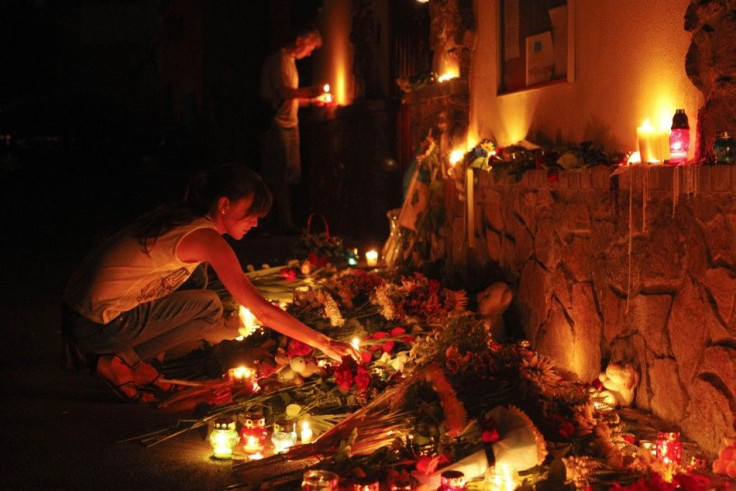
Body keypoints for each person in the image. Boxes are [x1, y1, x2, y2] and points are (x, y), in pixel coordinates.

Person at [62, 164, 359, 403]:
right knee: (209, 307)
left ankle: (125, 361)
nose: (256, 222)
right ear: (225, 205)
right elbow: (261, 310)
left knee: (199, 279)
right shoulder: (205, 239)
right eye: (252, 212)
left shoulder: (187, 221)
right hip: (94, 325)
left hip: (77, 312)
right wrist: (325, 342)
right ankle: (119, 361)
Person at [259, 23, 326, 234]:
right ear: (300, 40)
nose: (309, 53)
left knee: (289, 174)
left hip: (291, 124)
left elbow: (292, 98)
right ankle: (280, 221)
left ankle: (284, 220)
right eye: (310, 47)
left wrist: (313, 101)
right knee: (278, 175)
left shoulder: (290, 62)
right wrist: (311, 91)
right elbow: (285, 92)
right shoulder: (279, 59)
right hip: (278, 125)